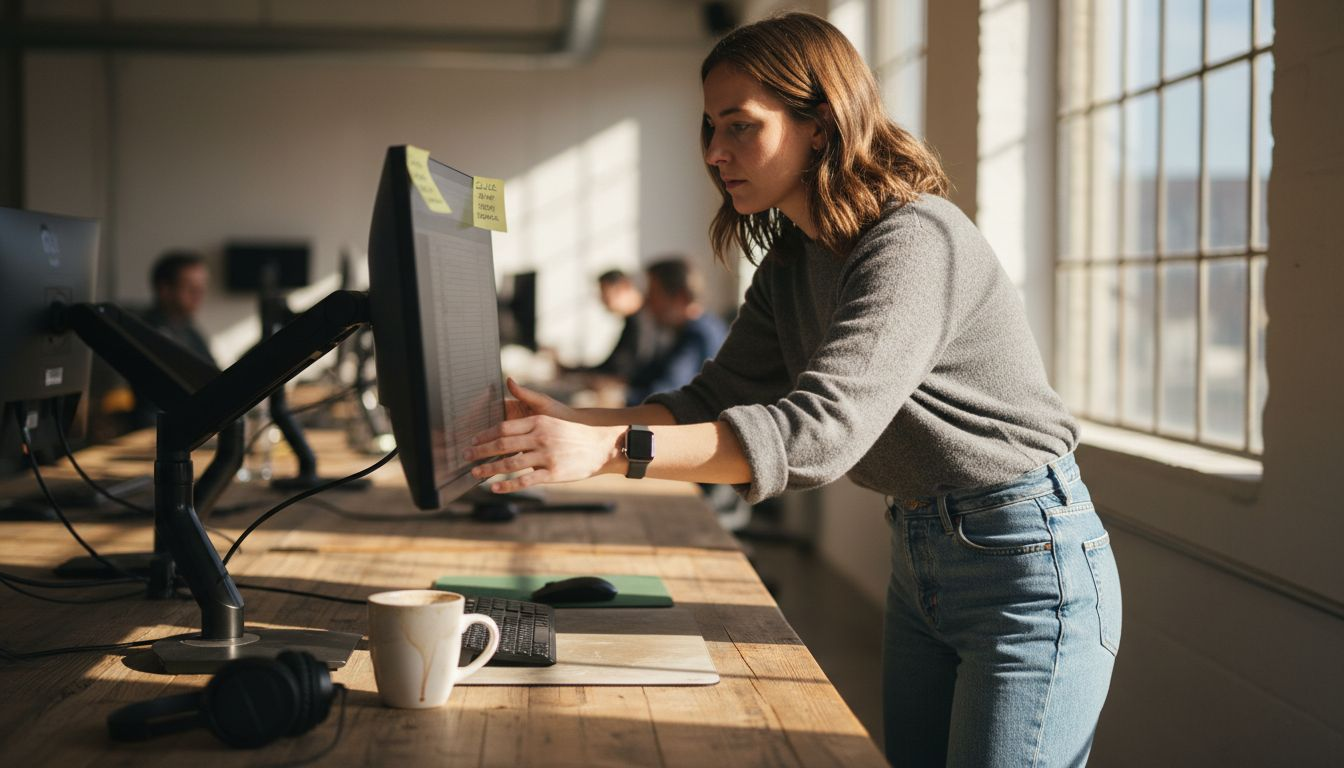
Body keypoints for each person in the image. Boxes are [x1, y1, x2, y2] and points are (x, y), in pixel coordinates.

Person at [466, 13, 1119, 767]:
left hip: (1024, 561)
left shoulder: (914, 240)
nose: (715, 152)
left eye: (741, 126)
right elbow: (713, 398)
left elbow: (817, 435)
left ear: (819, 124)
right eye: (711, 127)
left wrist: (605, 450)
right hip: (922, 551)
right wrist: (568, 420)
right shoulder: (793, 256)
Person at [129, 251, 217, 428]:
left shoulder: (189, 329)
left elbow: (213, 377)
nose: (198, 295)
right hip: (156, 429)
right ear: (165, 290)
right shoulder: (145, 333)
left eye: (201, 288)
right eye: (191, 288)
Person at [624, 258, 727, 406]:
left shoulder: (699, 334)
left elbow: (667, 391)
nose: (647, 302)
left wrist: (620, 397)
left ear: (680, 296)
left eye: (653, 293)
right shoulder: (685, 329)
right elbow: (651, 373)